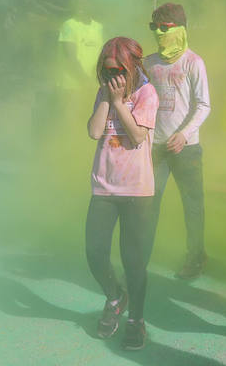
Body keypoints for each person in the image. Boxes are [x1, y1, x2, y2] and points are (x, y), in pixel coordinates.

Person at [85, 37, 158, 351]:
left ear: (132, 67)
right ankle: (115, 297)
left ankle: (135, 321)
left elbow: (139, 135)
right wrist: (107, 97)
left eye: (118, 70)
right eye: (107, 70)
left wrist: (118, 103)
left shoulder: (147, 93)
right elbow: (93, 131)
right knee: (95, 251)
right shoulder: (105, 91)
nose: (113, 75)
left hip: (137, 191)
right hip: (104, 185)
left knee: (134, 261)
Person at [143, 3, 211, 280]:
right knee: (148, 205)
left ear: (180, 29)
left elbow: (204, 105)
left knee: (192, 206)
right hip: (155, 149)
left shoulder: (194, 62)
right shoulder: (148, 63)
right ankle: (141, 256)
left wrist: (183, 135)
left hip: (187, 149)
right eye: (154, 28)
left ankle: (196, 257)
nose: (159, 33)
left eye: (165, 28)